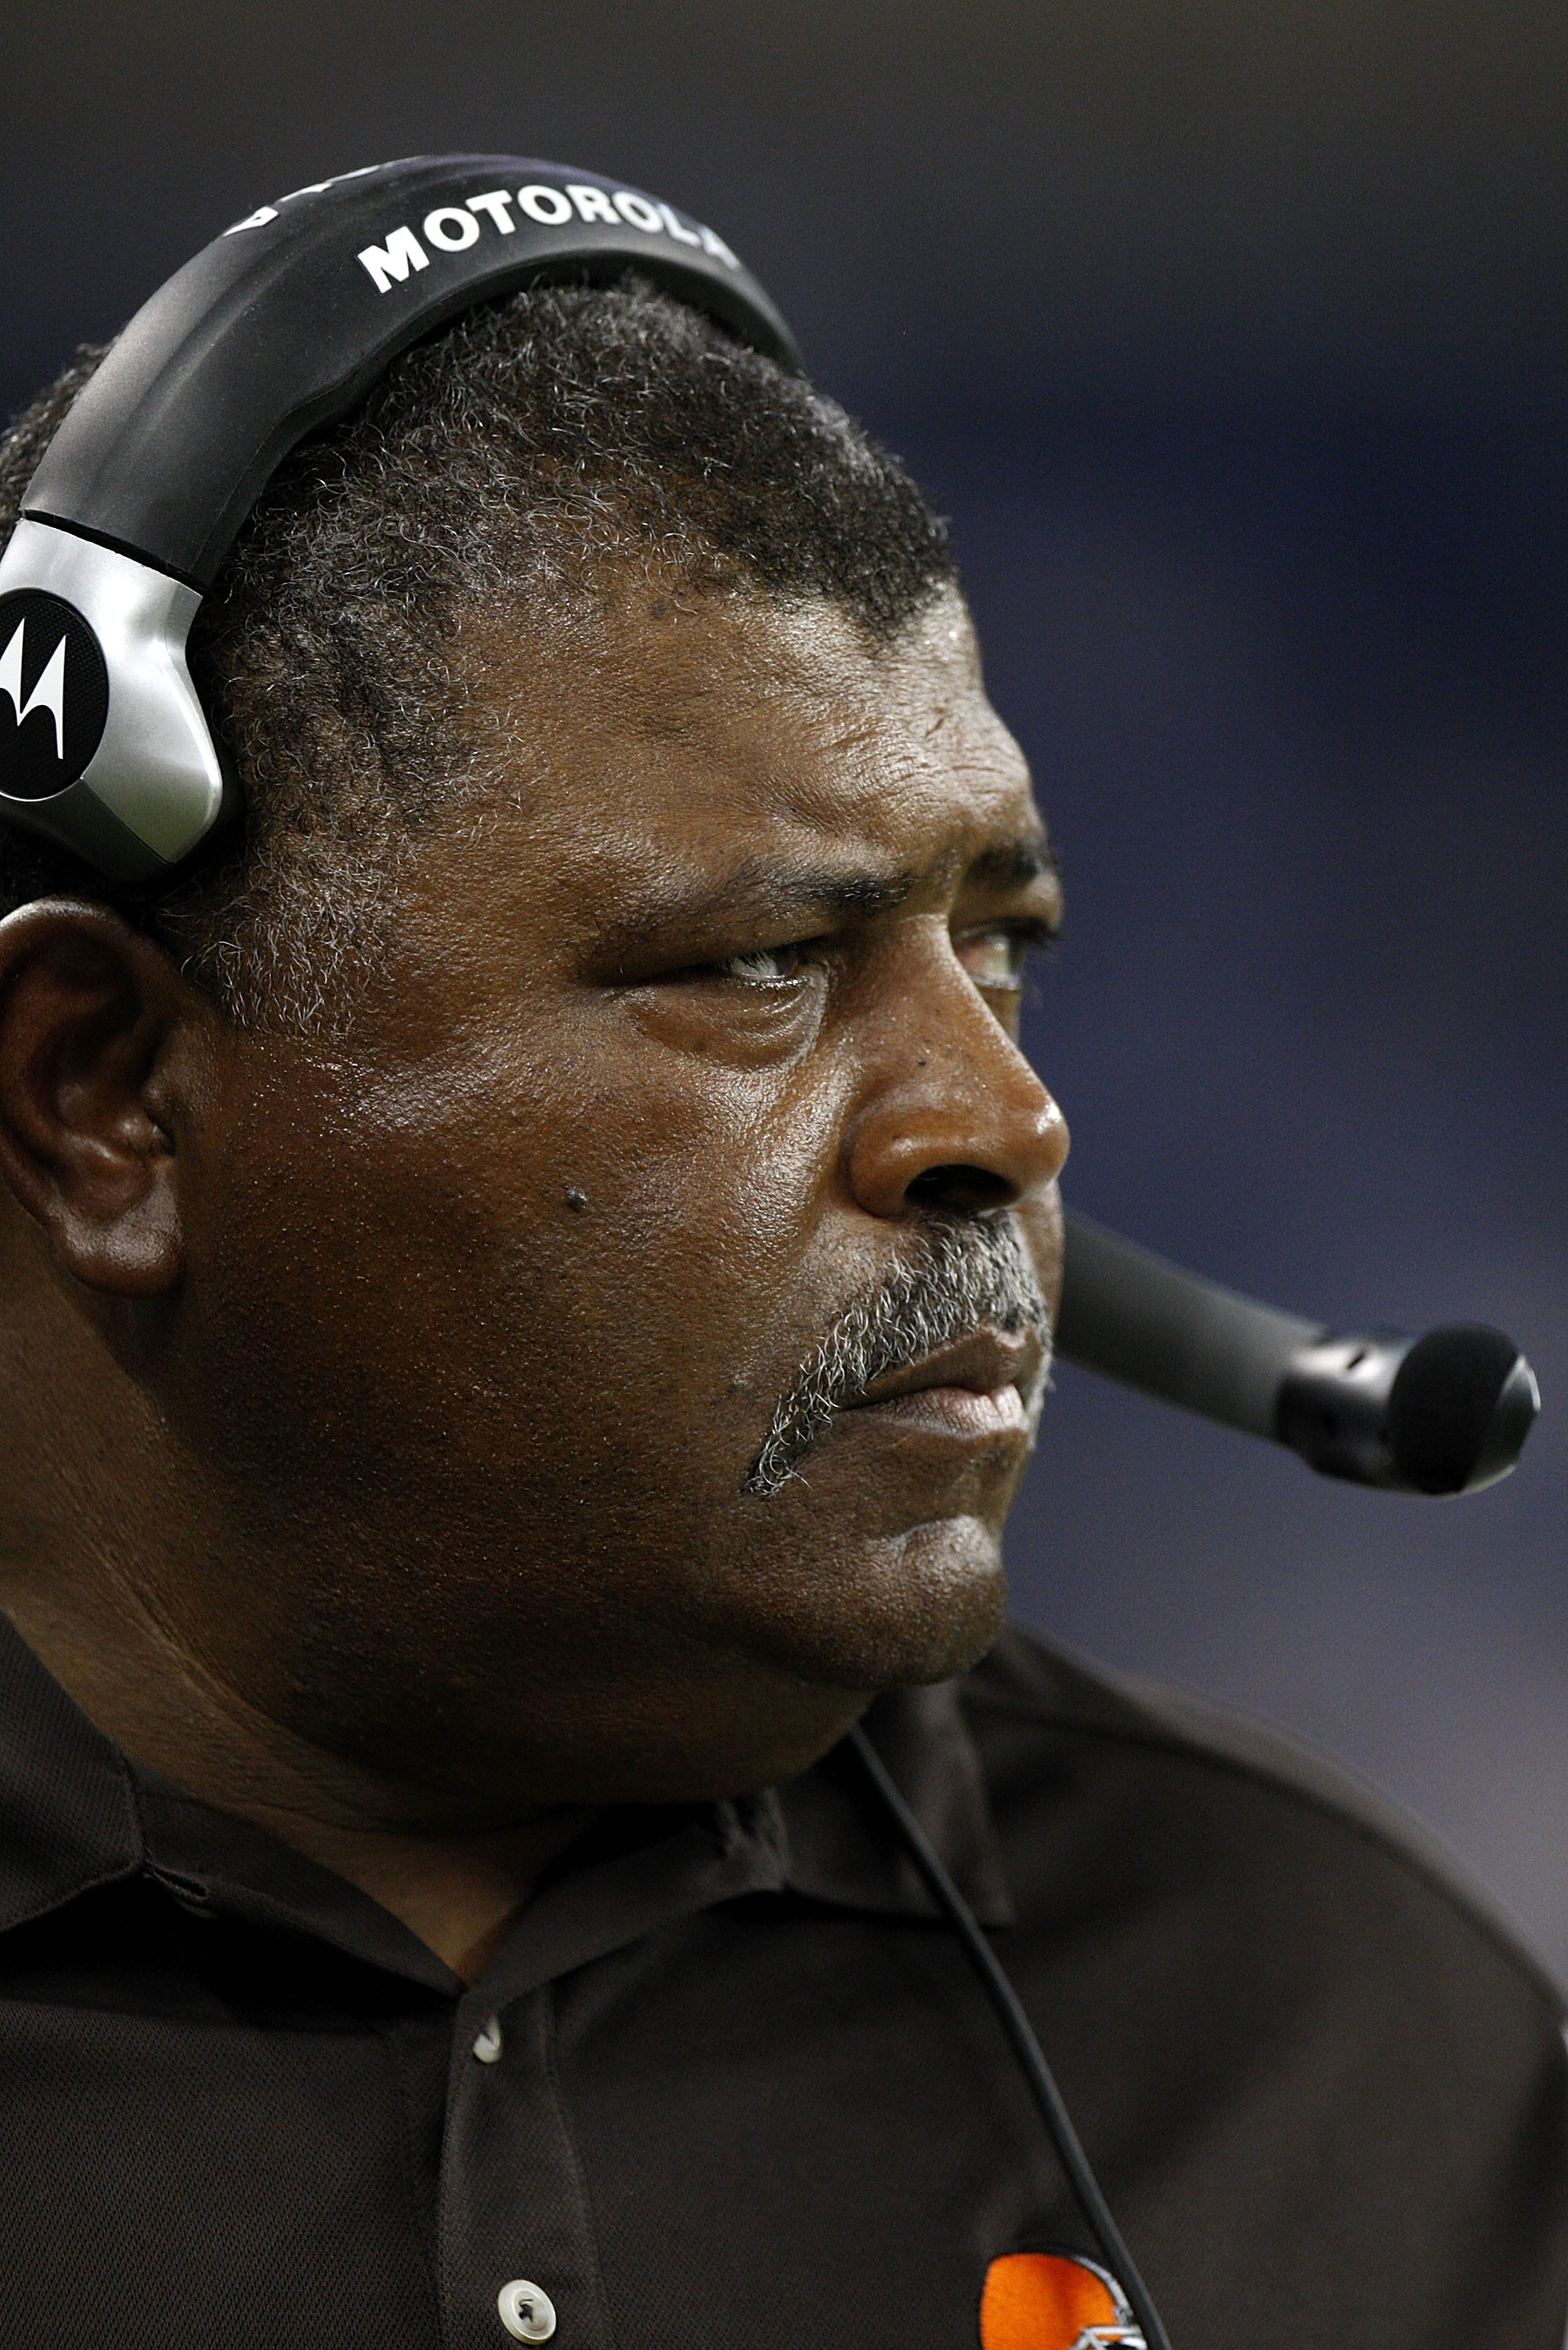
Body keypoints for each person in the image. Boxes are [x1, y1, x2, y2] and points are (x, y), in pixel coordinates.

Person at [0, 210, 1563, 2350]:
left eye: (996, 944)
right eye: (760, 963)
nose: (1005, 1119)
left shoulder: (1347, 2043)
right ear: (104, 1099)